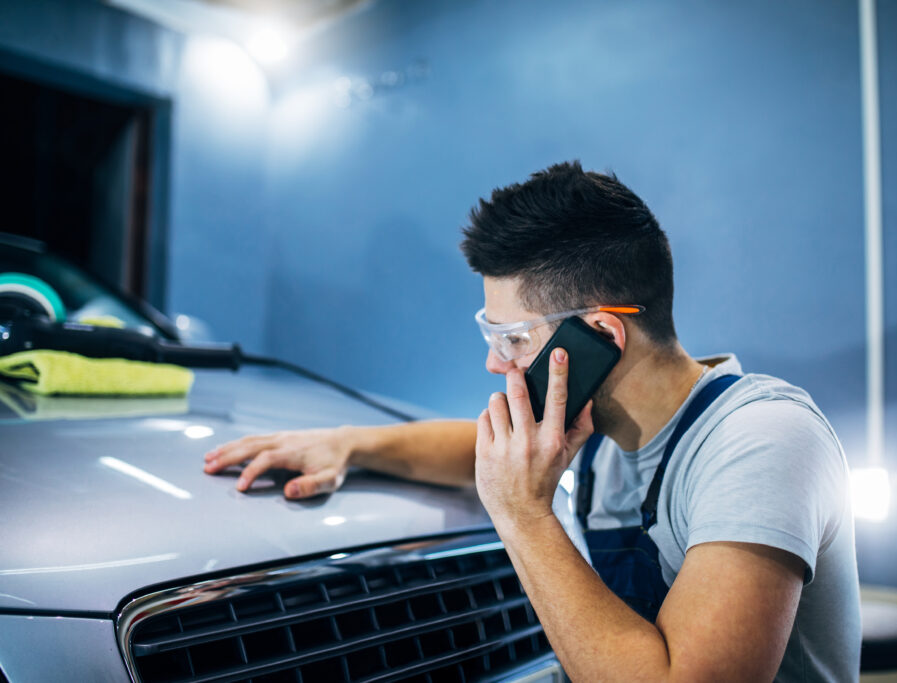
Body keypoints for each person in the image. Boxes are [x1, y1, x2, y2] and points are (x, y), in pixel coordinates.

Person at [203, 161, 860, 681]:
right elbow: (477, 449)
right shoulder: (607, 433)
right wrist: (350, 444)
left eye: (513, 338)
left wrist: (522, 514)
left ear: (600, 335)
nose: (496, 362)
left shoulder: (761, 441)